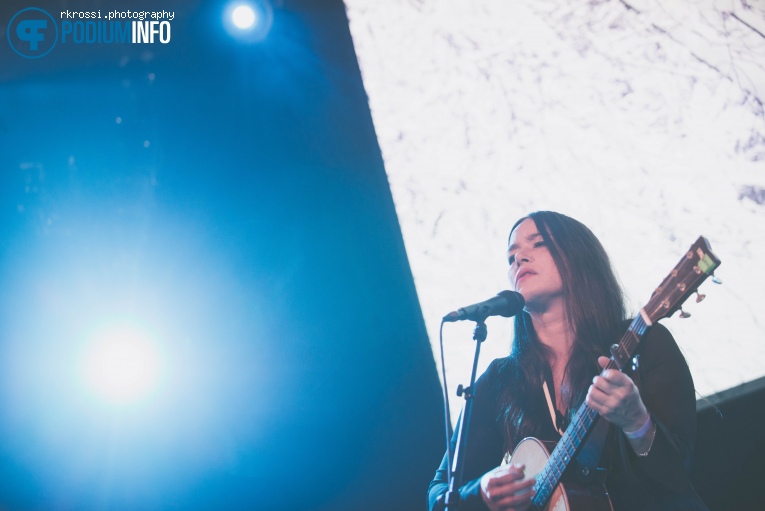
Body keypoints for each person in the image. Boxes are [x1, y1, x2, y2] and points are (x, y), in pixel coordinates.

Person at [428, 211, 708, 511]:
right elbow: (440, 492)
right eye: (511, 257)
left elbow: (678, 477)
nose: (519, 258)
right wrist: (479, 492)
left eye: (537, 244)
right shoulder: (500, 380)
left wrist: (636, 421)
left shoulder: (645, 345)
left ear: (578, 258)